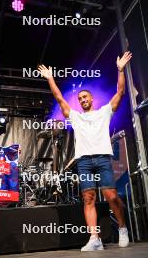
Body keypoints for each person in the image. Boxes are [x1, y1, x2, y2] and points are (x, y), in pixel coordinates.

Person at [38, 51, 132, 251]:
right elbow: (59, 97)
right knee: (88, 198)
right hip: (84, 161)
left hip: (103, 158)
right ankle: (94, 238)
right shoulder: (75, 117)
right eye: (80, 98)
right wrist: (50, 79)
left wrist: (120, 70)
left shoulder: (104, 112)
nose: (82, 99)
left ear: (92, 99)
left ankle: (123, 228)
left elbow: (120, 92)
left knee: (111, 197)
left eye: (85, 96)